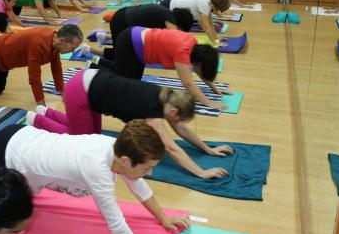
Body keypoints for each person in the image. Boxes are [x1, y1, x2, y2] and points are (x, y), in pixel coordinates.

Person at [0, 121, 190, 234]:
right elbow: (115, 222)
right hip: (6, 153)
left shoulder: (119, 148)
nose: (150, 172)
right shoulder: (97, 167)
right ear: (126, 161)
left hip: (21, 136)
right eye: (147, 168)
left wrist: (164, 218)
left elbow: (138, 184)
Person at [30, 68, 233, 179]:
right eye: (179, 118)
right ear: (173, 112)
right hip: (80, 91)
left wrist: (209, 149)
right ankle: (36, 120)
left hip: (91, 82)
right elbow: (171, 148)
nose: (178, 124)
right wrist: (201, 172)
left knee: (93, 134)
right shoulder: (154, 114)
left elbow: (181, 129)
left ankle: (46, 112)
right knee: (80, 142)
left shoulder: (164, 96)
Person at [92, 27, 227, 110]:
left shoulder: (194, 45)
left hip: (137, 42)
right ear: (199, 63)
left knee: (133, 84)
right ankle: (92, 69)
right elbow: (188, 83)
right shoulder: (183, 52)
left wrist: (214, 89)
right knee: (123, 85)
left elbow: (200, 70)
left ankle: (95, 65)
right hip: (129, 42)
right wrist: (208, 103)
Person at [90, 4, 194, 60]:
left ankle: (103, 36)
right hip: (120, 21)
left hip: (123, 16)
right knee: (120, 56)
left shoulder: (167, 15)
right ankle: (89, 49)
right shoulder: (169, 19)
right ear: (180, 24)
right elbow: (175, 41)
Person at [159, 0, 230, 44]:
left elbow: (210, 23)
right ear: (217, 8)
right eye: (221, 11)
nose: (220, 13)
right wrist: (215, 43)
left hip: (170, 5)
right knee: (163, 35)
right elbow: (206, 27)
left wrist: (216, 37)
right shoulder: (205, 5)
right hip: (167, 6)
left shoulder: (207, 2)